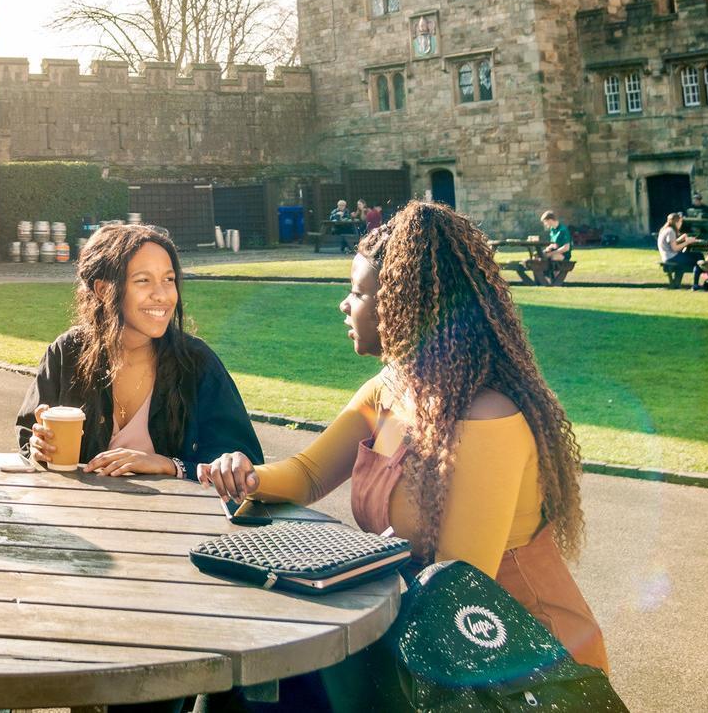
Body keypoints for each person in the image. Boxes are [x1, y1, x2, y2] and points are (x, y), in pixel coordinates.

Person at [197, 202, 608, 672]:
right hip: (422, 635)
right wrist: (241, 475)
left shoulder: (486, 416)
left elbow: (458, 583)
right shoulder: (391, 387)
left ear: (398, 307)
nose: (345, 305)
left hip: (522, 660)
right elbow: (309, 474)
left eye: (357, 293)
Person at [16, 224, 263, 480]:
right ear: (103, 290)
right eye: (143, 280)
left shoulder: (196, 362)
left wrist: (171, 465)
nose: (162, 295)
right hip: (81, 516)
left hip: (179, 518)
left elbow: (243, 462)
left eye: (168, 280)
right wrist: (38, 448)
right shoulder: (66, 352)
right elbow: (27, 436)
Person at [657, 212, 703, 288]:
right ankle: (696, 284)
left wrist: (680, 239)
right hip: (672, 257)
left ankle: (679, 284)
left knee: (693, 257)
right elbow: (675, 248)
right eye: (680, 222)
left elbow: (671, 244)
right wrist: (687, 242)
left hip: (668, 256)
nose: (681, 224)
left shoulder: (665, 229)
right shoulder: (670, 231)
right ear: (676, 222)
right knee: (698, 256)